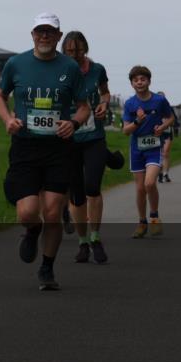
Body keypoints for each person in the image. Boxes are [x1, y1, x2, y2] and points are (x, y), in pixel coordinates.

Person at [0, 13, 91, 291]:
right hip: (25, 145)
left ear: (59, 36)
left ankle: (47, 268)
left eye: (50, 32)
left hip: (58, 147)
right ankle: (31, 230)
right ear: (32, 34)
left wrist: (73, 123)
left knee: (52, 211)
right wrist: (7, 120)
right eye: (40, 31)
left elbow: (84, 106)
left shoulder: (70, 68)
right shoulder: (16, 63)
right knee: (28, 212)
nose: (45, 36)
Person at [62, 31, 121, 265]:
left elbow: (105, 92)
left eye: (78, 50)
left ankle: (96, 238)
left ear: (85, 48)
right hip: (69, 140)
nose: (74, 55)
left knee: (92, 187)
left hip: (94, 137)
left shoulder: (97, 70)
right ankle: (83, 242)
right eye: (69, 51)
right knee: (76, 196)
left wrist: (104, 104)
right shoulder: (59, 71)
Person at [122, 66, 174, 238]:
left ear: (149, 81)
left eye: (142, 79)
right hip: (137, 148)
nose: (139, 82)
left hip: (153, 147)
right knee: (139, 189)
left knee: (149, 183)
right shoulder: (130, 103)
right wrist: (137, 121)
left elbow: (171, 118)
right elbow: (125, 130)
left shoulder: (159, 101)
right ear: (131, 83)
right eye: (136, 80)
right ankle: (141, 222)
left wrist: (163, 127)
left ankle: (154, 216)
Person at [157, 92, 174, 183]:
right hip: (158, 134)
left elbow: (173, 120)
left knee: (165, 153)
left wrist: (167, 122)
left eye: (162, 97)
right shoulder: (154, 108)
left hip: (167, 133)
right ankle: (159, 173)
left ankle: (165, 174)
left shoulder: (169, 108)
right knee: (159, 154)